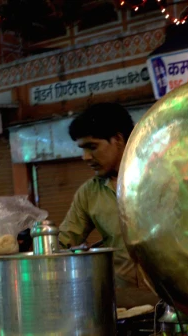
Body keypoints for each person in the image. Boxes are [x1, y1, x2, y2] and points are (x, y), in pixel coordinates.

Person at [59, 103, 155, 306]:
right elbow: (63, 243)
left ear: (118, 139)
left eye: (92, 147)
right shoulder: (89, 193)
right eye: (82, 149)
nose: (85, 157)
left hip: (170, 299)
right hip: (121, 303)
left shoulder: (159, 178)